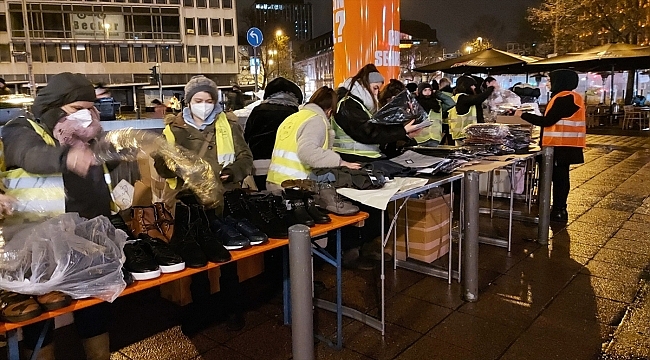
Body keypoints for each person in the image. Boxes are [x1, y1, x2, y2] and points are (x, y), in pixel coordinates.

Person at [2, 72, 113, 360]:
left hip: (85, 235)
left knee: (93, 306)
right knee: (40, 320)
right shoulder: (20, 128)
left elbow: (102, 176)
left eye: (91, 108)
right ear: (55, 106)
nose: (86, 116)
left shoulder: (90, 134)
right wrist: (65, 157)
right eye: (77, 109)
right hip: (38, 242)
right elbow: (30, 154)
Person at [154, 75, 253, 334]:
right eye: (199, 100)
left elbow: (245, 157)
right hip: (190, 203)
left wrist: (233, 172)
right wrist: (176, 165)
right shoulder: (173, 130)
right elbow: (161, 168)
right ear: (188, 102)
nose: (205, 105)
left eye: (209, 100)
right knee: (196, 259)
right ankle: (201, 311)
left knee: (228, 256)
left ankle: (233, 308)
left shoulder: (227, 124)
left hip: (224, 199)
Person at [515, 69, 585, 222]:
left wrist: (522, 115)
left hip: (561, 146)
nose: (548, 84)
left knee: (559, 179)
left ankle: (559, 210)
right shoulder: (566, 97)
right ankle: (557, 209)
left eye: (550, 81)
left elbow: (547, 121)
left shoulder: (566, 98)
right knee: (559, 178)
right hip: (562, 146)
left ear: (560, 81)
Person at [266, 86, 360, 192]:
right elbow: (307, 151)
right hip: (296, 184)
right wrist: (340, 162)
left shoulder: (293, 118)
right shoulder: (316, 121)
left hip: (275, 181)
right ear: (329, 111)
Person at [332, 64, 420, 164]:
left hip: (359, 159)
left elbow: (374, 132)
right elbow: (367, 132)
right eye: (375, 88)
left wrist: (405, 134)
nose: (376, 93)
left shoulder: (356, 104)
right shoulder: (347, 103)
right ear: (364, 84)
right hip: (354, 160)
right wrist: (402, 131)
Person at [244, 77, 303, 190]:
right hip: (284, 166)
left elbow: (246, 137)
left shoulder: (257, 110)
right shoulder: (294, 113)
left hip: (258, 164)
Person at [448, 76, 495, 144]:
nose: (474, 87)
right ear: (466, 86)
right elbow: (478, 98)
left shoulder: (455, 98)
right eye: (472, 85)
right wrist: (491, 88)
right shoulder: (462, 98)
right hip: (465, 135)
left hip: (462, 134)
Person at [414, 82, 444, 147]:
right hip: (419, 138)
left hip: (434, 137)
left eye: (429, 90)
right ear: (420, 91)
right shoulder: (415, 104)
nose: (428, 92)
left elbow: (451, 103)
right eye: (425, 90)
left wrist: (438, 93)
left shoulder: (437, 103)